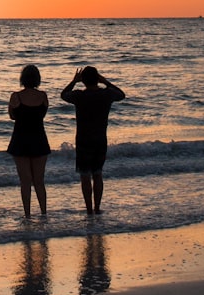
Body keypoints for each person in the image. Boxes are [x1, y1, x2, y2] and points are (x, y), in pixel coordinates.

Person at [60, 66, 126, 214]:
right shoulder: (106, 94)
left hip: (83, 139)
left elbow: (64, 95)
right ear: (97, 79)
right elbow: (121, 95)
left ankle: (89, 209)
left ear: (83, 81)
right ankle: (97, 208)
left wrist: (73, 81)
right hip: (100, 139)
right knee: (97, 174)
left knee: (85, 175)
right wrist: (106, 81)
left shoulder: (79, 96)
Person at [7, 64, 50, 217]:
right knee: (39, 180)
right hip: (39, 139)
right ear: (38, 79)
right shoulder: (43, 96)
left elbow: (12, 116)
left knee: (25, 181)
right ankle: (44, 212)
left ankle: (27, 214)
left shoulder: (16, 96)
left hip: (20, 140)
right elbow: (42, 115)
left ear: (22, 79)